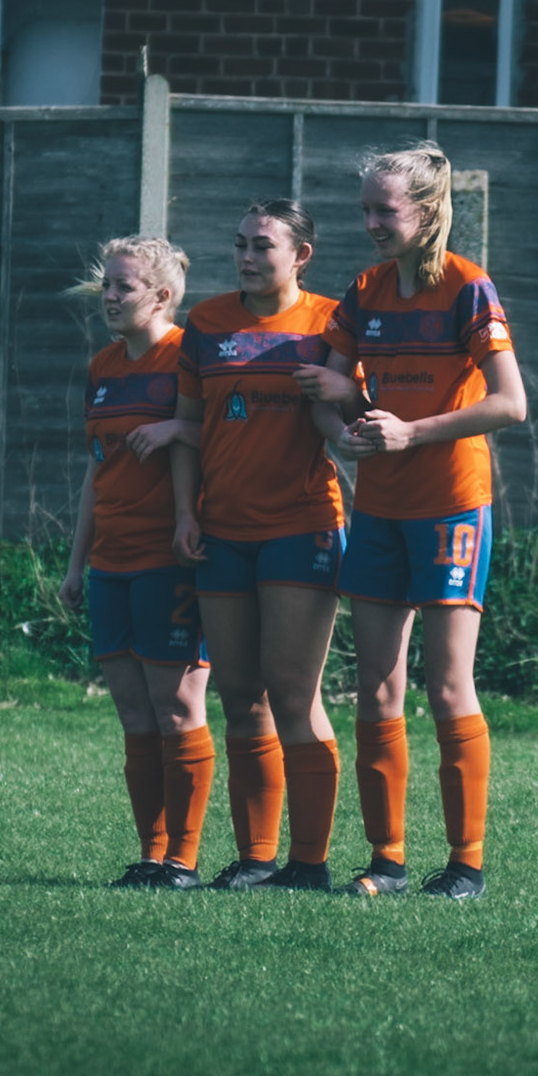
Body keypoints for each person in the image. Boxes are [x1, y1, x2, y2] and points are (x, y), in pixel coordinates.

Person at [296, 141, 526, 901]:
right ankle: (387, 862)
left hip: (452, 505)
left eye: (383, 210)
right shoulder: (364, 292)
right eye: (364, 209)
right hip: (380, 509)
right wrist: (346, 429)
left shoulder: (468, 287)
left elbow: (511, 404)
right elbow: (330, 395)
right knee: (376, 689)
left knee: (448, 686)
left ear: (426, 213)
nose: (370, 223)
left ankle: (466, 866)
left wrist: (410, 432)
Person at [172, 199, 350, 891]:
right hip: (221, 531)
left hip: (302, 525)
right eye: (240, 244)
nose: (246, 257)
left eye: (262, 246)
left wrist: (348, 396)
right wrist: (186, 513)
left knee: (294, 695)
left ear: (301, 255)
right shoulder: (206, 323)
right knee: (242, 696)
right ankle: (256, 859)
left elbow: (352, 412)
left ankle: (310, 864)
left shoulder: (332, 322)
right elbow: (188, 428)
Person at [58, 236, 214, 891]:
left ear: (162, 296)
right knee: (133, 713)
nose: (109, 296)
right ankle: (151, 855)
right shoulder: (102, 366)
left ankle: (183, 859)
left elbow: (224, 435)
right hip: (111, 563)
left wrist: (178, 441)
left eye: (124, 286)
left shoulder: (187, 356)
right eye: (107, 284)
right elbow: (96, 473)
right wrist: (76, 564)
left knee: (176, 707)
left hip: (168, 559)